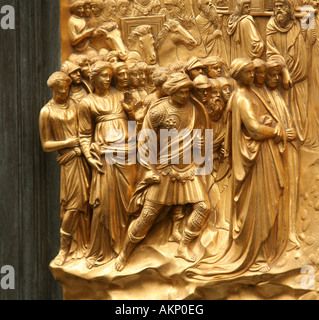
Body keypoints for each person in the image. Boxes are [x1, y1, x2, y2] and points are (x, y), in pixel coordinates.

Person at [186, 58, 287, 280]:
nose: (252, 76)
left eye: (253, 72)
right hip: (254, 162)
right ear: (239, 75)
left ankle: (262, 253)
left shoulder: (252, 94)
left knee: (263, 203)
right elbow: (254, 130)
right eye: (248, 73)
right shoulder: (241, 97)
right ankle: (254, 255)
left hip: (262, 158)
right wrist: (277, 131)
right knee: (254, 206)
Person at [114, 72, 212, 272]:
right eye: (182, 91)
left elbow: (200, 137)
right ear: (172, 91)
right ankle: (124, 253)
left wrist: (201, 152)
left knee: (203, 207)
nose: (186, 95)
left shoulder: (193, 108)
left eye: (187, 91)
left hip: (187, 170)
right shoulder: (158, 110)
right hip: (164, 171)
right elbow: (143, 142)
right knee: (147, 216)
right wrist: (150, 170)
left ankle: (183, 246)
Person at [78, 61, 136, 268]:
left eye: (109, 75)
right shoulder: (87, 103)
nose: (107, 79)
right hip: (104, 157)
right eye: (103, 75)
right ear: (94, 78)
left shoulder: (121, 97)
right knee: (102, 204)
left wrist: (131, 113)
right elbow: (84, 134)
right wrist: (89, 156)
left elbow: (135, 126)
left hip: (126, 155)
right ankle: (99, 251)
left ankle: (124, 246)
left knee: (127, 201)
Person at [39, 72, 91, 266]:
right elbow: (46, 144)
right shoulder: (47, 111)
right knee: (74, 204)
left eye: (66, 88)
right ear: (52, 89)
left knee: (88, 203)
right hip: (70, 161)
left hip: (85, 157)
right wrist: (68, 142)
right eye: (59, 88)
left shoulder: (76, 105)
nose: (63, 91)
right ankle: (64, 250)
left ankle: (85, 245)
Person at [266, 0, 316, 146]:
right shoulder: (271, 26)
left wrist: (310, 19)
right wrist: (284, 71)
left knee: (301, 116)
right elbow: (271, 54)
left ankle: (302, 143)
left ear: (289, 9)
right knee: (283, 113)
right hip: (282, 81)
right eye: (276, 7)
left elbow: (311, 41)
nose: (279, 10)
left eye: (282, 7)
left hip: (301, 78)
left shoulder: (297, 24)